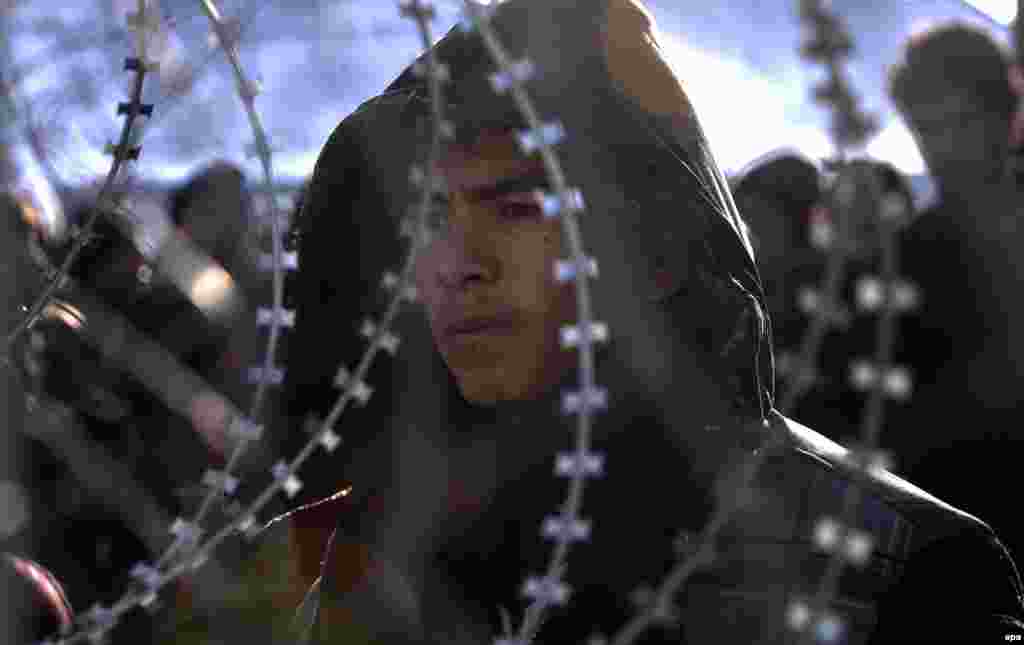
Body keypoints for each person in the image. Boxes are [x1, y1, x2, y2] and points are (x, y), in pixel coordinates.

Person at [166, 1, 1024, 644]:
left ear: (648, 241)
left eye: (520, 205)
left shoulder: (894, 570)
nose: (462, 261)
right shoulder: (324, 564)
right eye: (428, 217)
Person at [885, 19, 1024, 571]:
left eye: (962, 123)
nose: (945, 149)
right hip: (958, 543)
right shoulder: (912, 253)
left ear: (1004, 117)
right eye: (927, 129)